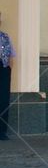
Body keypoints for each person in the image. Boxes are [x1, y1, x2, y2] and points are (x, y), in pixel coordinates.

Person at [0, 12, 14, 140]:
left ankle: (2, 131)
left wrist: (8, 68)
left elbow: (10, 55)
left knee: (3, 100)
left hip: (3, 69)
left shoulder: (4, 36)